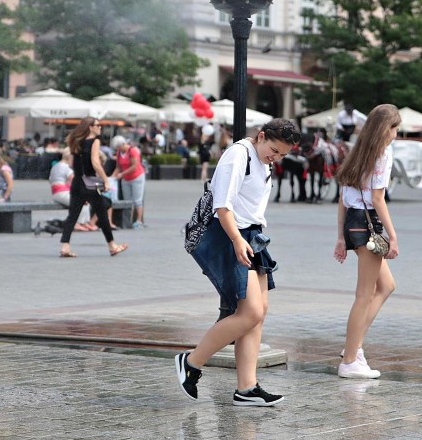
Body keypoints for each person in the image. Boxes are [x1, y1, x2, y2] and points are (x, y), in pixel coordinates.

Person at [175, 118, 301, 406]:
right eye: (274, 150)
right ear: (260, 136)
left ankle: (246, 388)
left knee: (259, 311)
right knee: (250, 312)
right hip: (229, 234)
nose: (276, 158)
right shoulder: (238, 154)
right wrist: (235, 239)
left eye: (282, 154)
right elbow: (223, 205)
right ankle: (191, 363)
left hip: (251, 235)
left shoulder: (263, 160)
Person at [334, 104, 401, 380]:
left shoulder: (357, 152)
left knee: (386, 285)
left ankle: (353, 345)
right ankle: (350, 359)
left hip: (354, 221)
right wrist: (393, 235)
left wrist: (341, 236)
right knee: (364, 294)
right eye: (395, 128)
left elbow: (342, 199)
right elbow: (377, 198)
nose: (396, 133)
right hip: (368, 223)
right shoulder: (381, 154)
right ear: (385, 129)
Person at [59, 117, 128, 258]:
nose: (100, 127)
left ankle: (65, 247)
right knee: (102, 214)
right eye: (97, 125)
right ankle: (112, 246)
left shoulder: (75, 141)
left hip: (77, 182)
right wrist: (105, 180)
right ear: (90, 127)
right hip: (89, 183)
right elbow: (96, 163)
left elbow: (72, 164)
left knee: (72, 215)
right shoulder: (94, 141)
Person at [49, 148, 95, 232]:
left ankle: (84, 222)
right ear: (69, 158)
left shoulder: (55, 166)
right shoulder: (66, 168)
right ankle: (78, 223)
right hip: (62, 192)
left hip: (56, 193)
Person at [113, 136, 146, 229]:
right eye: (117, 148)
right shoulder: (119, 153)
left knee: (137, 201)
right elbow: (118, 167)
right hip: (125, 179)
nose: (118, 149)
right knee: (127, 201)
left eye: (119, 147)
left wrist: (122, 174)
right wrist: (112, 177)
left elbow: (134, 166)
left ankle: (139, 221)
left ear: (123, 144)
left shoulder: (132, 151)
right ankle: (128, 221)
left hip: (137, 177)